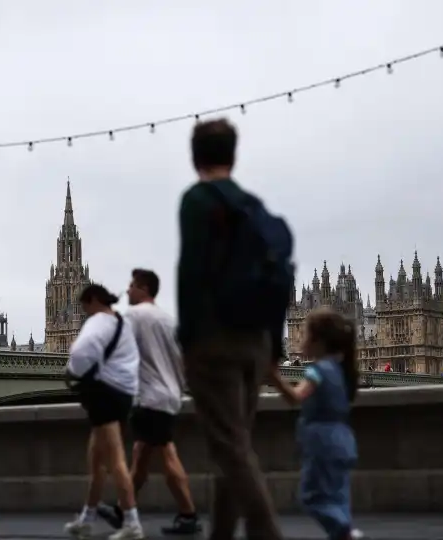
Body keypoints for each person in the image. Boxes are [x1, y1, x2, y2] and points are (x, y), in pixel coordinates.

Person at [176, 118, 294, 540]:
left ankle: (268, 534)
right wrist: (274, 349)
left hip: (216, 343)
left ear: (195, 158)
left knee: (232, 449)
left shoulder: (198, 200)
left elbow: (191, 275)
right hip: (257, 344)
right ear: (234, 155)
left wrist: (188, 343)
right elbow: (281, 278)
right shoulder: (254, 206)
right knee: (232, 445)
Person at [96, 269, 200, 535]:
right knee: (140, 456)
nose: (127, 290)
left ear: (143, 288)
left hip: (152, 397)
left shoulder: (135, 316)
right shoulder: (167, 319)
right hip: (169, 394)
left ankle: (188, 514)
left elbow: (111, 341)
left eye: (132, 285)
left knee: (166, 456)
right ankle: (123, 510)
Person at [269, 308, 363, 540]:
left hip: (322, 444)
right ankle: (345, 531)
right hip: (344, 440)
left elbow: (295, 398)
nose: (299, 340)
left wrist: (272, 376)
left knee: (312, 497)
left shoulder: (317, 371)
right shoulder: (342, 370)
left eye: (303, 334)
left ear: (317, 341)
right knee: (339, 497)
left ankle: (345, 532)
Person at [63, 284, 144, 540]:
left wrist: (74, 370)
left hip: (104, 397)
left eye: (86, 306)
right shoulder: (122, 323)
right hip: (123, 395)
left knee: (115, 460)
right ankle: (86, 518)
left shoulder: (97, 322)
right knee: (96, 460)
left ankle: (132, 523)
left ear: (94, 301)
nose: (85, 312)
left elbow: (78, 354)